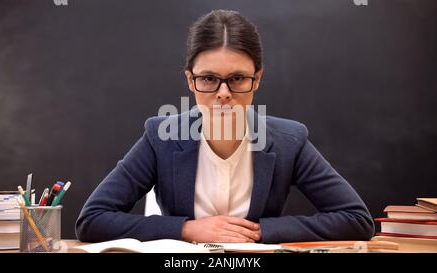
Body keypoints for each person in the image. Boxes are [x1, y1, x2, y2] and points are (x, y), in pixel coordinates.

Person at [75, 10, 374, 244]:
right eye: (208, 79)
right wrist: (188, 229)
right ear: (190, 80)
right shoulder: (160, 137)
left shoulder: (289, 141)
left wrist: (256, 232)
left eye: (237, 78)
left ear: (257, 79)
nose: (223, 93)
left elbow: (356, 219)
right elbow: (92, 220)